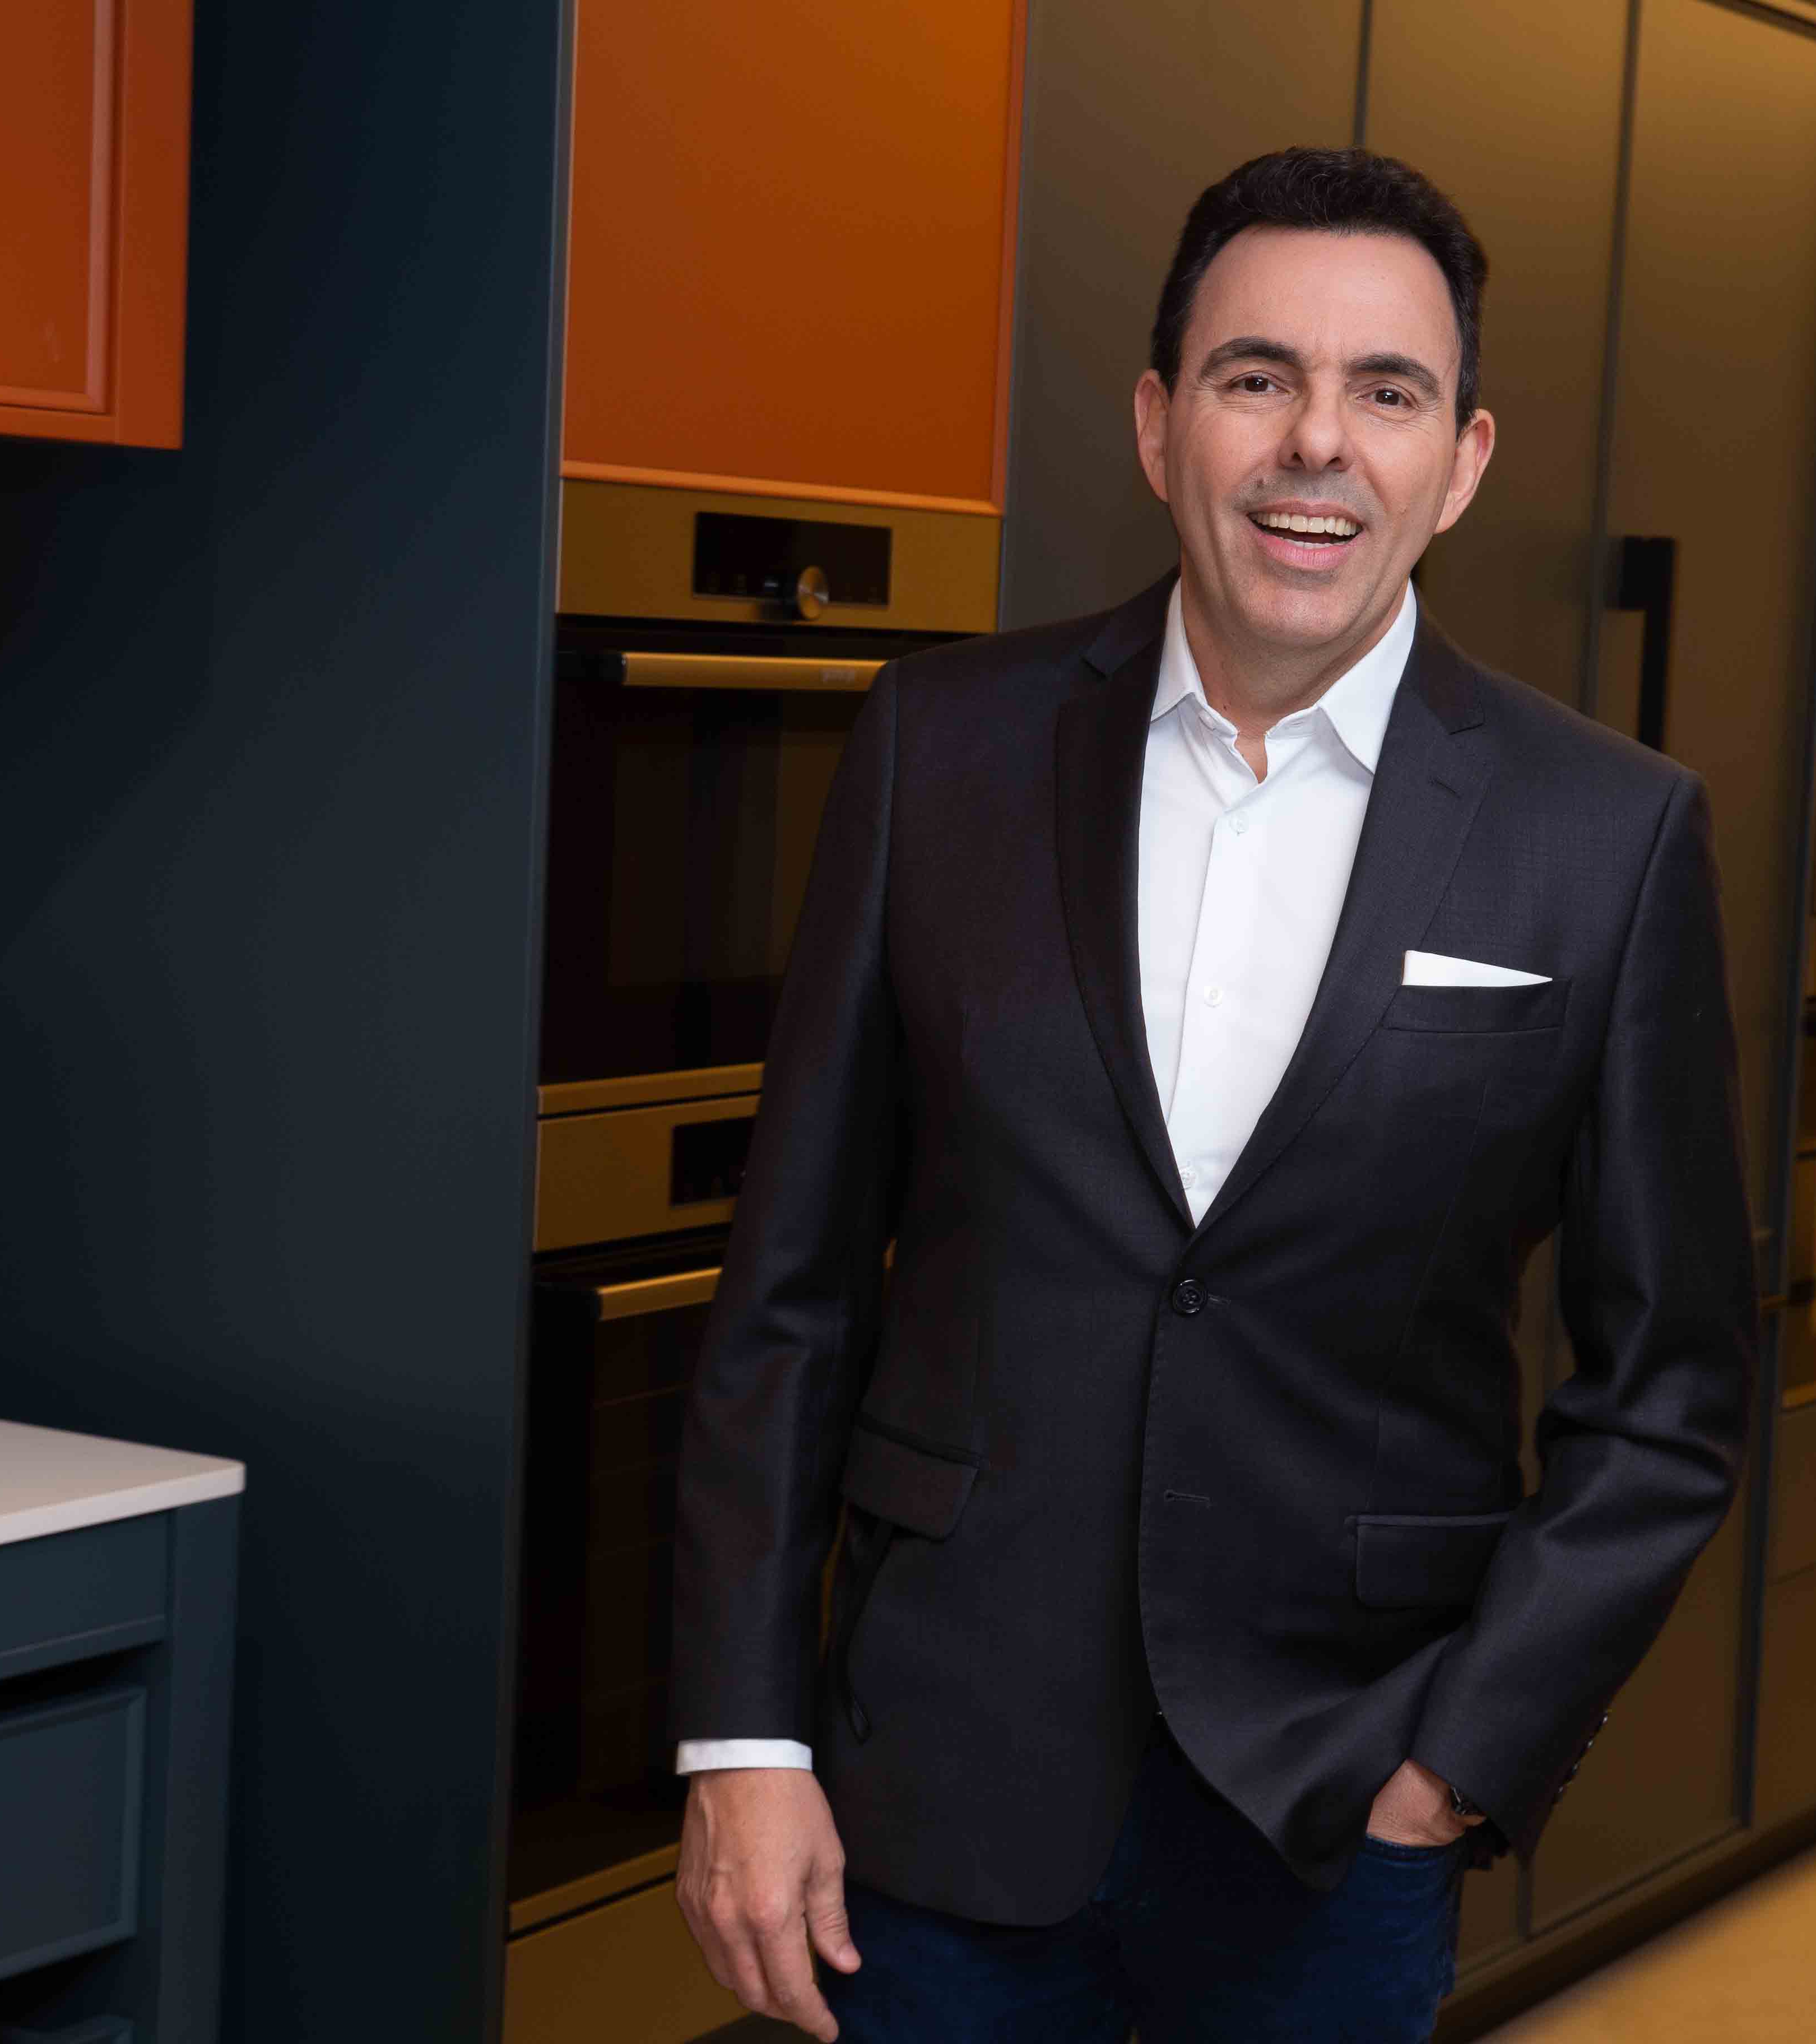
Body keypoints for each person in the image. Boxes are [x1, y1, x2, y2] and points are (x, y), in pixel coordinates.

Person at [668, 145, 1755, 2042]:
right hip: (934, 1785)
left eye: (1386, 392)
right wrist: (742, 1740)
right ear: (1163, 422)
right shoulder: (940, 750)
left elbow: (1669, 1392)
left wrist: (1457, 1766)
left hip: (1335, 1822)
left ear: (1462, 461)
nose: (1316, 442)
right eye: (1260, 377)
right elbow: (793, 1290)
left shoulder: (1612, 834)